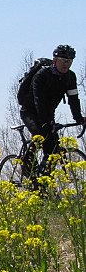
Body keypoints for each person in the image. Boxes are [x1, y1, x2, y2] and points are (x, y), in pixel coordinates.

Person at [19, 44, 86, 179]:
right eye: (64, 60)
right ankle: (27, 165)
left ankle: (45, 182)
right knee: (40, 134)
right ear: (55, 60)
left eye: (70, 61)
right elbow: (39, 100)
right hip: (30, 111)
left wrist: (79, 118)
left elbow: (73, 99)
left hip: (48, 113)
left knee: (53, 148)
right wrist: (45, 121)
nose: (67, 64)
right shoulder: (42, 75)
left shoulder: (70, 77)